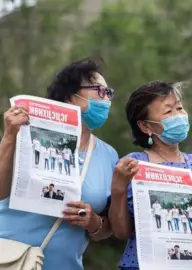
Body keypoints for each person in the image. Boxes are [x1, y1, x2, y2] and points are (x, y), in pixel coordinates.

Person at [0, 57, 119, 270]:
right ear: (70, 97)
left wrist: (93, 222)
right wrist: (9, 137)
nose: (106, 99)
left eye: (109, 93)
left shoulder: (109, 155)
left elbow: (109, 227)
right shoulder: (26, 132)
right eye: (99, 91)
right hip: (10, 260)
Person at [108, 81, 192, 270]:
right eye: (168, 112)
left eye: (179, 108)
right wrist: (118, 188)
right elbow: (121, 231)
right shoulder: (132, 166)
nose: (179, 116)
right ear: (146, 126)